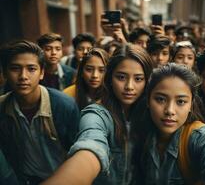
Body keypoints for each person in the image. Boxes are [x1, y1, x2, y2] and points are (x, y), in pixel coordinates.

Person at [42, 44, 153, 185]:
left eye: (138, 79)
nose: (129, 86)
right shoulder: (96, 114)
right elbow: (91, 144)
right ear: (110, 78)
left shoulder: (153, 113)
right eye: (121, 77)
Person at [0, 40, 80, 184]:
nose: (23, 76)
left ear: (42, 72)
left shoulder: (64, 105)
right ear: (5, 72)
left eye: (31, 69)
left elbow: (77, 153)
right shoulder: (2, 107)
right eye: (15, 68)